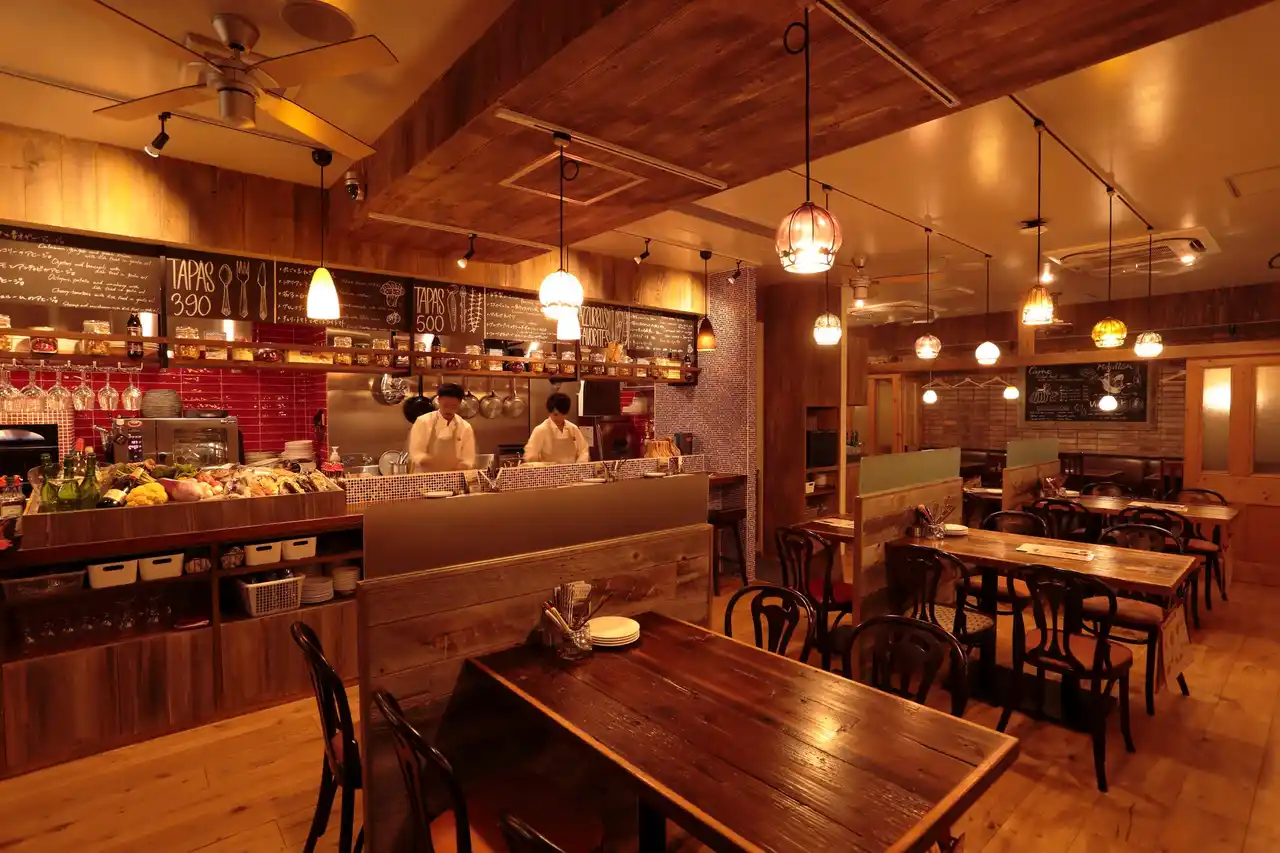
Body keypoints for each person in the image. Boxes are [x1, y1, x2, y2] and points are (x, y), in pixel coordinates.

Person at [408, 383, 476, 472]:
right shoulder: (423, 422)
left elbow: (468, 459)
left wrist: (462, 465)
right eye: (445, 405)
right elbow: (416, 453)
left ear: (460, 403)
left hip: (453, 477)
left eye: (453, 407)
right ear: (439, 400)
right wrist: (430, 461)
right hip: (426, 477)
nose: (449, 410)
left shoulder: (465, 427)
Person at [523, 392, 590, 464]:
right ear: (549, 412)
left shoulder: (573, 429)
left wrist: (578, 465)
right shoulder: (541, 430)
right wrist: (545, 465)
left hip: (571, 470)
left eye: (562, 415)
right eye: (555, 415)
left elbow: (583, 450)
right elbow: (530, 456)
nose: (559, 418)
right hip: (549, 470)